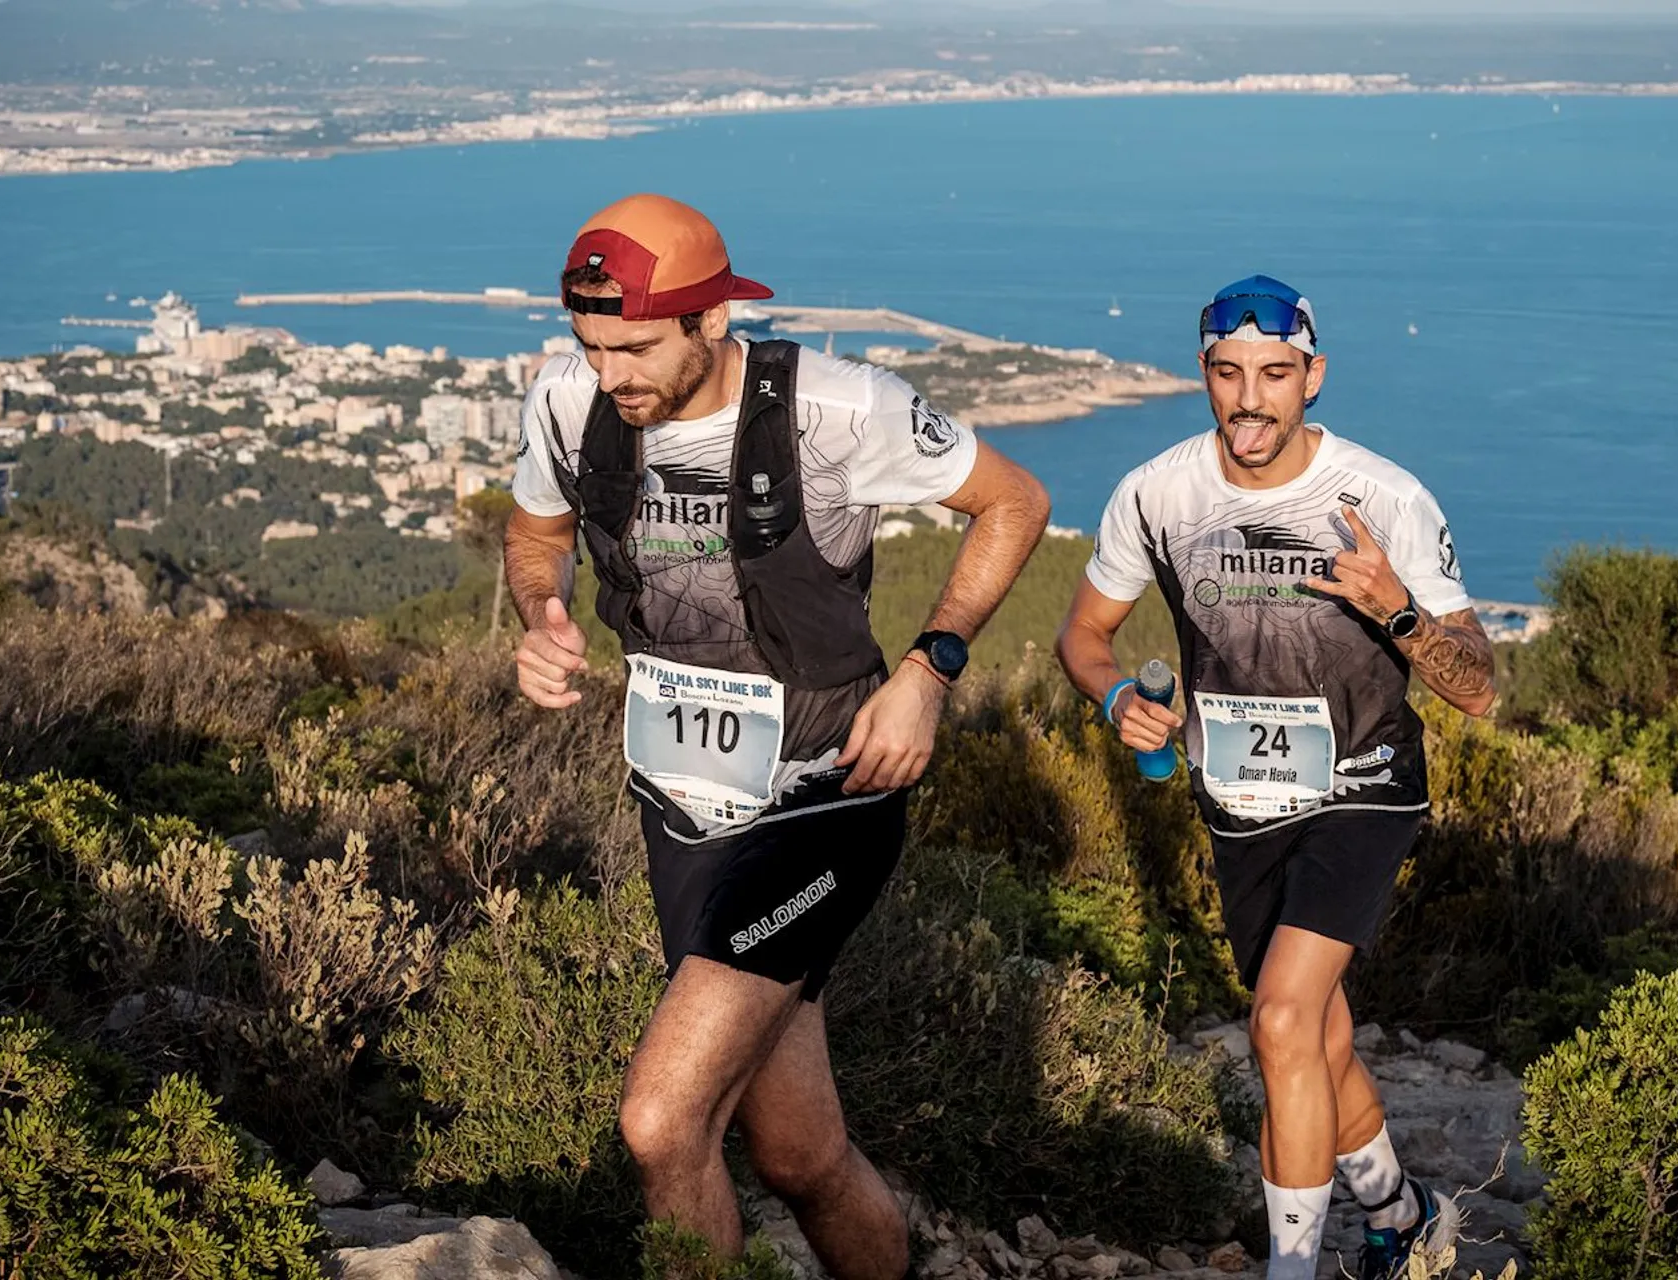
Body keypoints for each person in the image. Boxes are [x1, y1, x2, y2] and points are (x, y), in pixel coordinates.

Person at [505, 193, 1050, 1280]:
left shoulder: (839, 409)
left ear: (712, 319)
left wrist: (928, 669)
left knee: (663, 1122)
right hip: (679, 807)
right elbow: (535, 531)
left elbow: (1015, 502)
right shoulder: (571, 396)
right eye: (590, 345)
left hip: (823, 795)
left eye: (635, 347)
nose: (610, 375)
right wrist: (542, 614)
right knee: (800, 1152)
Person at [1055, 276, 1495, 1280]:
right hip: (1240, 800)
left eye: (1276, 374)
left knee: (1283, 1020)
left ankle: (1292, 1268)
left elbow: (1475, 689)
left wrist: (1396, 609)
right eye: (1228, 371)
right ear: (1204, 373)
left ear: (1314, 377)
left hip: (1364, 784)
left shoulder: (1381, 496)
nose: (1250, 396)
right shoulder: (1158, 493)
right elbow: (1082, 635)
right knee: (1317, 1032)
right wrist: (1116, 695)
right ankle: (1401, 1212)